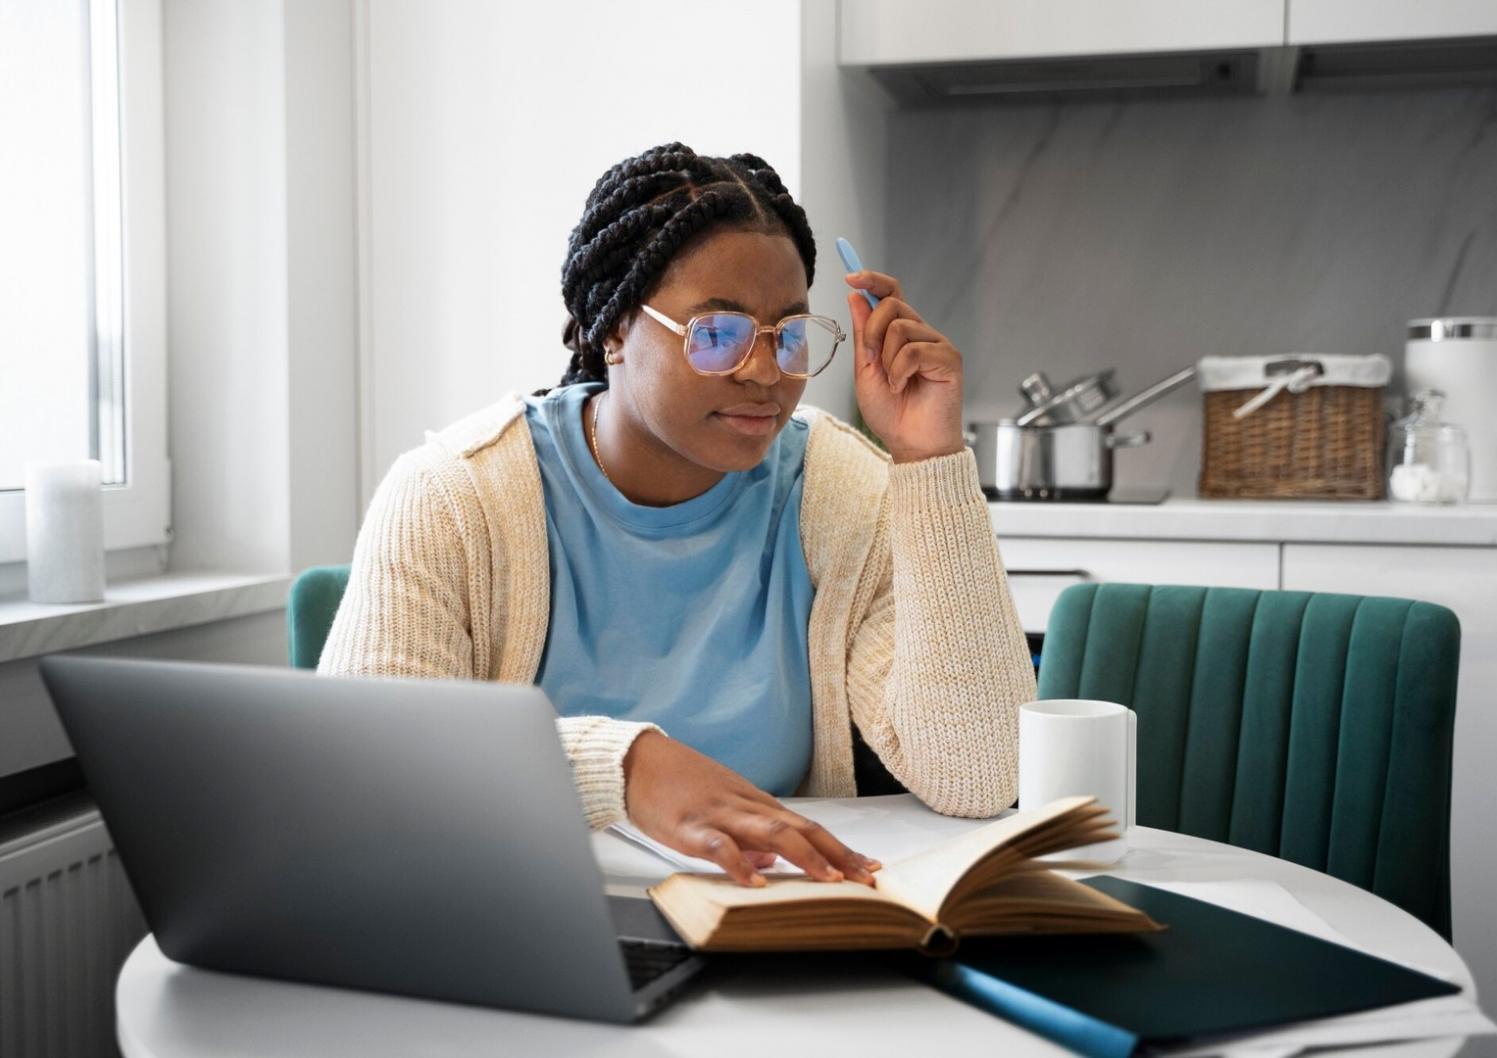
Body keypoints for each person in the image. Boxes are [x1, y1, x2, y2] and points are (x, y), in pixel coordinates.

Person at [320, 143, 1035, 888]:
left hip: (770, 925)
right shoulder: (453, 495)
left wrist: (930, 461)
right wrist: (623, 766)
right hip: (523, 919)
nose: (763, 373)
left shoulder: (838, 491)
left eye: (787, 336)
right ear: (615, 327)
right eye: (717, 333)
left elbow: (980, 774)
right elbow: (363, 769)